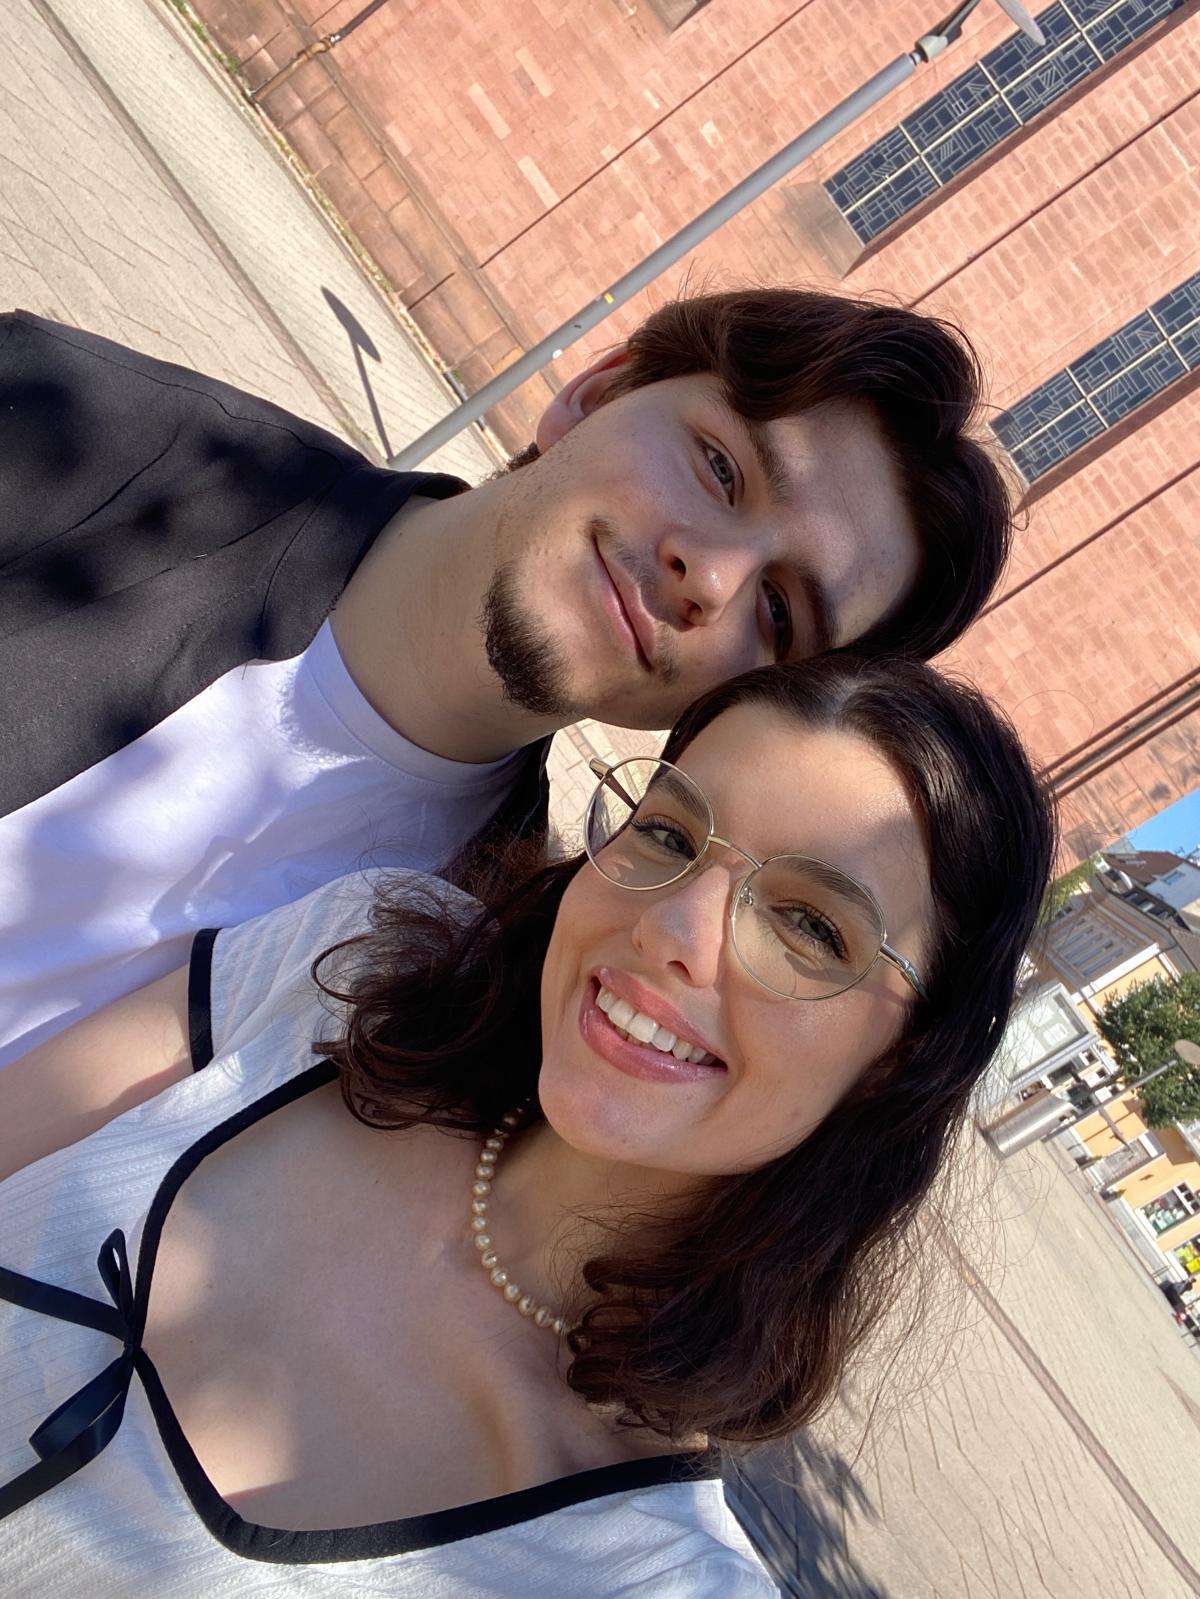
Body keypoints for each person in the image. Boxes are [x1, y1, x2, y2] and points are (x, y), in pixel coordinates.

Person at [0, 655, 1055, 1595]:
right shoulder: (358, 971)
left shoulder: (645, 1576)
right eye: (670, 832)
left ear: (904, 1062)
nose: (674, 927)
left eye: (810, 925)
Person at [0, 288, 1012, 1067]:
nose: (710, 576)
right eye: (720, 469)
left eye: (781, 613)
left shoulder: (472, 981)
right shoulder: (79, 435)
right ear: (597, 393)